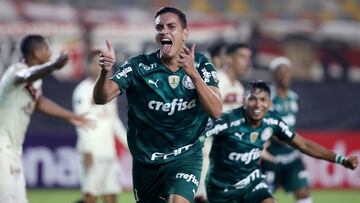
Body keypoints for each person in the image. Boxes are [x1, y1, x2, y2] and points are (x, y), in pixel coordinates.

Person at [93, 7, 222, 203]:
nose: (164, 32)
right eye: (159, 27)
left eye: (171, 26)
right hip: (147, 161)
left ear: (185, 33)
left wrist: (193, 74)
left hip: (185, 156)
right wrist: (105, 72)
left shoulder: (202, 66)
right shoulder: (138, 66)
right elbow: (101, 98)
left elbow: (216, 111)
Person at [204, 80, 358, 203]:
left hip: (251, 183)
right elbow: (196, 136)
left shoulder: (273, 121)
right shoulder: (228, 121)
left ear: (270, 103)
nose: (258, 105)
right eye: (253, 99)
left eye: (263, 100)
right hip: (221, 190)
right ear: (244, 101)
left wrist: (341, 160)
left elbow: (303, 144)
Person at [0, 34, 92, 203]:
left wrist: (69, 116)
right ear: (36, 52)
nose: (50, 52)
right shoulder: (16, 70)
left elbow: (39, 102)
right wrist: (53, 66)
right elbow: (24, 76)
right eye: (47, 48)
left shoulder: (36, 82)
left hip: (13, 149)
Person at [195, 42, 252, 203]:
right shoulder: (216, 80)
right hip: (205, 149)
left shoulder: (239, 89)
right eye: (242, 56)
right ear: (228, 58)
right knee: (202, 197)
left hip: (223, 153)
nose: (246, 61)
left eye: (248, 58)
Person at [72, 51, 128, 203]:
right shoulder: (83, 90)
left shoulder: (108, 89)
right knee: (91, 195)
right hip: (93, 151)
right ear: (87, 65)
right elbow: (81, 121)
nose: (99, 66)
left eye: (101, 63)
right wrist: (87, 149)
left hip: (109, 151)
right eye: (95, 62)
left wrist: (129, 145)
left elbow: (114, 120)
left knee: (112, 194)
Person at [260, 57, 312, 203]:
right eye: (280, 72)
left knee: (303, 193)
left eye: (287, 71)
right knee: (266, 198)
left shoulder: (294, 98)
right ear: (273, 75)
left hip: (292, 156)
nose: (285, 75)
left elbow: (291, 124)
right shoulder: (267, 97)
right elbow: (266, 126)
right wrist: (286, 137)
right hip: (272, 157)